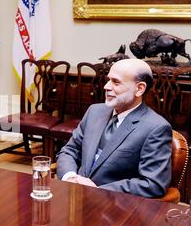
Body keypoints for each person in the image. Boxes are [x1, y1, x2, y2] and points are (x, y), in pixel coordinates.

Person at [56, 59, 172, 198]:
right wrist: (70, 177)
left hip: (115, 207)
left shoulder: (156, 128)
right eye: (108, 80)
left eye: (116, 82)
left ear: (139, 88)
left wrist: (97, 190)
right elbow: (70, 150)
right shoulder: (95, 111)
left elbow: (152, 184)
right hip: (75, 197)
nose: (106, 86)